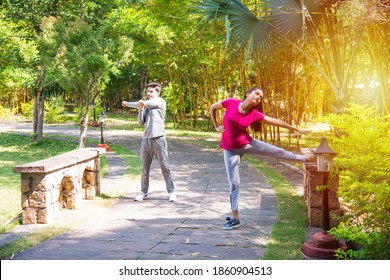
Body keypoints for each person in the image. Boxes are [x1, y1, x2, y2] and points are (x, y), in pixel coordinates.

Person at [210, 87, 315, 230]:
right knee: (234, 184)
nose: (259, 97)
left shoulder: (254, 114)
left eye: (261, 97)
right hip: (229, 150)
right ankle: (235, 218)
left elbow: (276, 121)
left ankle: (306, 159)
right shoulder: (231, 103)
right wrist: (216, 126)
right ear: (248, 93)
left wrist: (296, 129)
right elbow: (212, 108)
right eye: (257, 93)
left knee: (278, 152)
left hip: (248, 144)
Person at [122, 82, 176, 202]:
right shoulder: (145, 106)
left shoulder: (160, 101)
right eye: (147, 92)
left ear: (158, 93)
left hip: (159, 139)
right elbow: (140, 123)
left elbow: (145, 103)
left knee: (165, 167)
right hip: (146, 140)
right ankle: (143, 192)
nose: (149, 94)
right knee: (145, 168)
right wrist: (140, 109)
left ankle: (171, 192)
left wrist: (131, 104)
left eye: (151, 92)